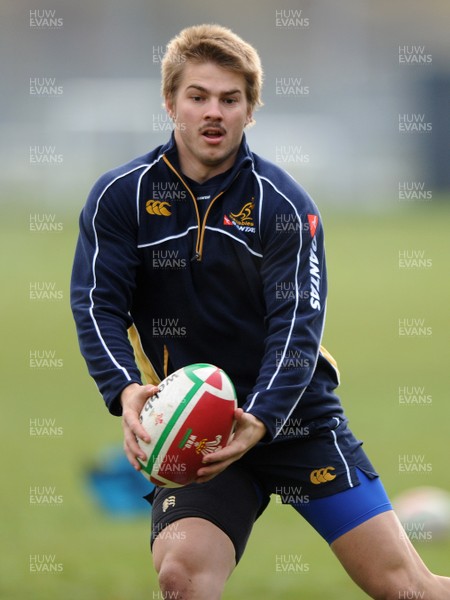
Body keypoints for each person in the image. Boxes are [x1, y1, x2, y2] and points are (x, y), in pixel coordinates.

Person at [71, 24, 450, 600]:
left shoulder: (284, 206)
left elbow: (297, 325)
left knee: (408, 590)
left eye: (231, 99)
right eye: (198, 96)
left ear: (252, 110)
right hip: (197, 428)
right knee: (180, 577)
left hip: (295, 418)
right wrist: (124, 389)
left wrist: (263, 417)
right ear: (170, 101)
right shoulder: (121, 197)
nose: (213, 112)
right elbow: (97, 302)